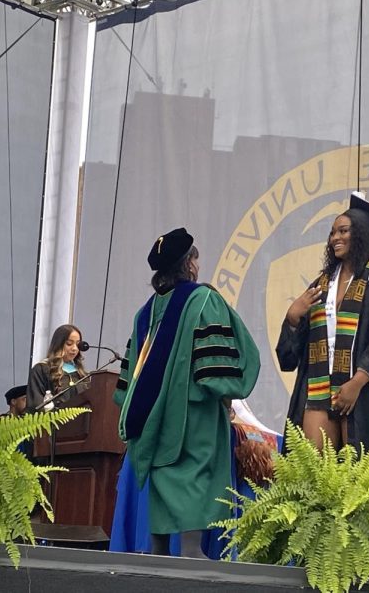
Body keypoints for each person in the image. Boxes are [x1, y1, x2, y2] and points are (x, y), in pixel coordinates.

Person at [114, 227, 260, 558]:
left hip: (155, 416)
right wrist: (226, 392)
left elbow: (131, 376)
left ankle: (159, 546)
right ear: (189, 264)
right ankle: (192, 548)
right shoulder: (202, 300)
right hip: (194, 414)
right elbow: (216, 369)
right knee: (196, 471)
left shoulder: (146, 312)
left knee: (163, 473)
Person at [276, 192, 369, 455]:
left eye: (343, 231)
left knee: (357, 477)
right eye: (332, 233)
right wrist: (293, 317)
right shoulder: (321, 284)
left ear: (361, 234)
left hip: (363, 391)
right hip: (318, 386)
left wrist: (357, 381)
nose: (334, 238)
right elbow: (291, 355)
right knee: (311, 472)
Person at [25, 324, 88, 412]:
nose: (74, 348)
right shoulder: (42, 369)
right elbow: (35, 404)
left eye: (78, 344)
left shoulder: (82, 374)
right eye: (69, 344)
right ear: (59, 344)